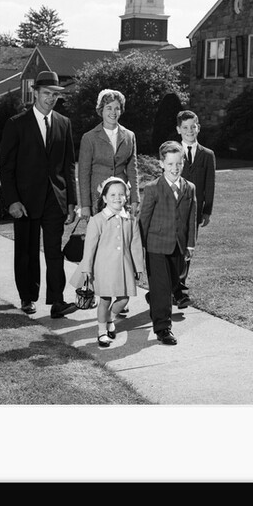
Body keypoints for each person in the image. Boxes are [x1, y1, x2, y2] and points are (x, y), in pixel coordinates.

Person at [0, 70, 79, 318]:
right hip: (25, 201)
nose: (51, 98)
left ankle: (57, 301)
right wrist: (12, 200)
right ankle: (27, 297)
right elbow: (7, 167)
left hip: (55, 200)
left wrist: (72, 201)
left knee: (54, 251)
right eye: (46, 93)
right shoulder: (16, 124)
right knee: (27, 251)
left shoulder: (64, 124)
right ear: (35, 93)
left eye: (55, 94)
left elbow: (68, 165)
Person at [70, 177, 145, 348]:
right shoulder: (97, 220)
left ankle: (110, 318)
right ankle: (102, 331)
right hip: (103, 268)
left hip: (124, 266)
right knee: (104, 299)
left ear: (126, 196)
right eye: (112, 195)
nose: (117, 198)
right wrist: (87, 268)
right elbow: (89, 247)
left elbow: (135, 244)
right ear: (104, 198)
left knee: (124, 298)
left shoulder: (131, 220)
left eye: (121, 194)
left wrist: (138, 266)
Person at [138, 141, 197, 346]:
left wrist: (190, 244)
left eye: (178, 164)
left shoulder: (189, 188)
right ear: (162, 164)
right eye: (170, 164)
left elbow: (191, 218)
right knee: (162, 287)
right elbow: (143, 220)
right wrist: (139, 248)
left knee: (172, 284)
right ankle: (163, 328)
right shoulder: (153, 188)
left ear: (183, 163)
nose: (175, 168)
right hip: (155, 246)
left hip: (178, 246)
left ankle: (154, 296)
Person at [173, 109, 216, 308]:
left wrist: (207, 211)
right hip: (173, 210)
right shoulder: (172, 153)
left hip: (195, 211)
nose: (189, 130)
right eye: (185, 128)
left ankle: (180, 287)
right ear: (178, 130)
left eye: (193, 127)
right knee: (173, 248)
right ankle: (173, 287)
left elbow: (209, 184)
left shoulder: (207, 155)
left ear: (198, 128)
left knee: (188, 249)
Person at [78, 89, 139, 220]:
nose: (113, 112)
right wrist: (85, 205)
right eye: (109, 108)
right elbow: (83, 173)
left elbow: (132, 170)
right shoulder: (89, 138)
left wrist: (135, 199)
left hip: (121, 198)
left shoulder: (129, 136)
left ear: (121, 111)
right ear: (101, 110)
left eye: (117, 108)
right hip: (98, 199)